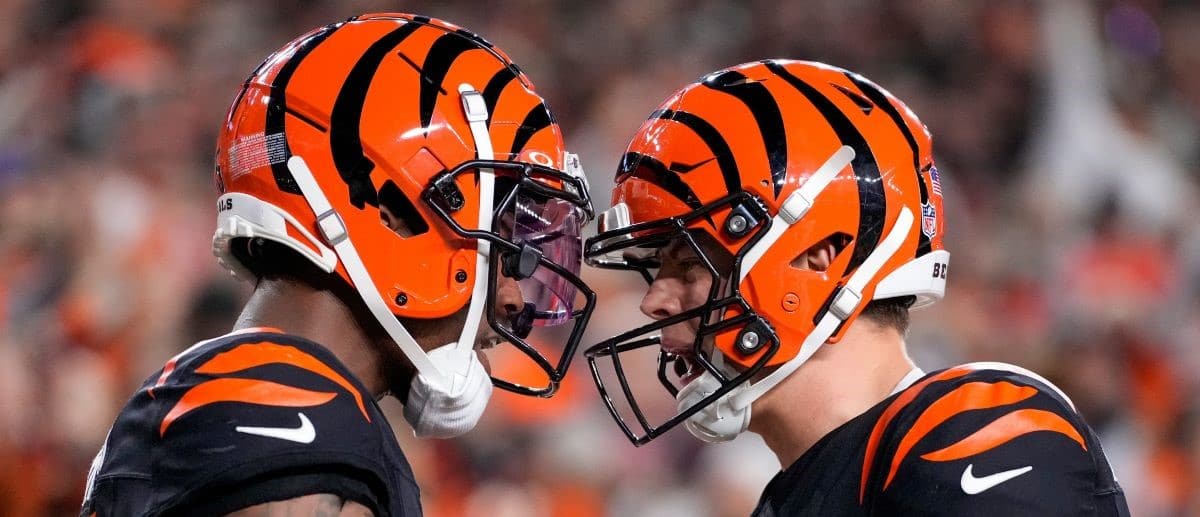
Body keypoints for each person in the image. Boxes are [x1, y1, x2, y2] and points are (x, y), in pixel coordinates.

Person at [81, 12, 595, 516]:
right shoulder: (293, 421)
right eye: (503, 250)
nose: (511, 298)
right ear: (392, 216)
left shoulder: (217, 392)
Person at [583, 60, 1130, 515]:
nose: (653, 299)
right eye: (658, 268)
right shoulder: (792, 496)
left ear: (817, 256)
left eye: (689, 262)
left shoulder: (974, 427)